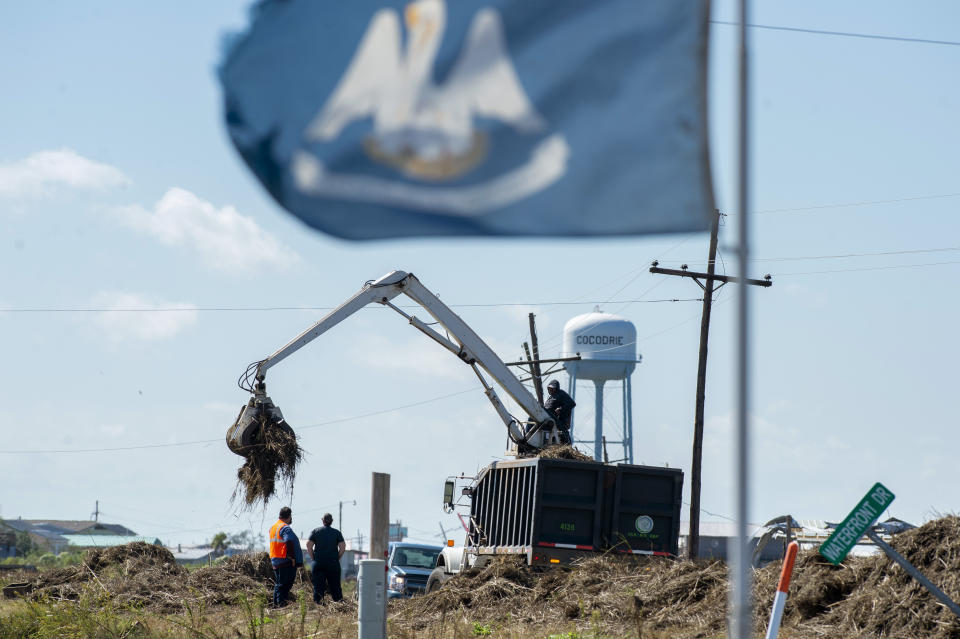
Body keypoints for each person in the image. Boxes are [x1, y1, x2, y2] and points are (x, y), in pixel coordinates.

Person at [306, 513, 346, 603]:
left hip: (319, 563)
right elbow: (343, 548)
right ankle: (339, 605)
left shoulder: (315, 531)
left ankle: (318, 606)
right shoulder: (336, 533)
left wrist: (314, 558)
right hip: (333, 563)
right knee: (335, 587)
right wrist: (337, 558)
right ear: (331, 521)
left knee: (318, 587)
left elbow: (309, 545)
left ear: (322, 520)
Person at [268, 506, 303, 608]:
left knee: (279, 584)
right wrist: (292, 557)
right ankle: (280, 605)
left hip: (275, 559)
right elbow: (288, 541)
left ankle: (276, 605)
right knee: (285, 585)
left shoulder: (273, 527)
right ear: (289, 516)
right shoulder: (285, 528)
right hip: (285, 561)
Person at [544, 379, 576, 444]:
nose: (550, 390)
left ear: (556, 388)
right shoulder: (550, 397)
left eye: (552, 388)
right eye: (549, 388)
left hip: (555, 418)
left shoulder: (561, 394)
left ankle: (565, 439)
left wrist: (560, 409)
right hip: (546, 417)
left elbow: (572, 403)